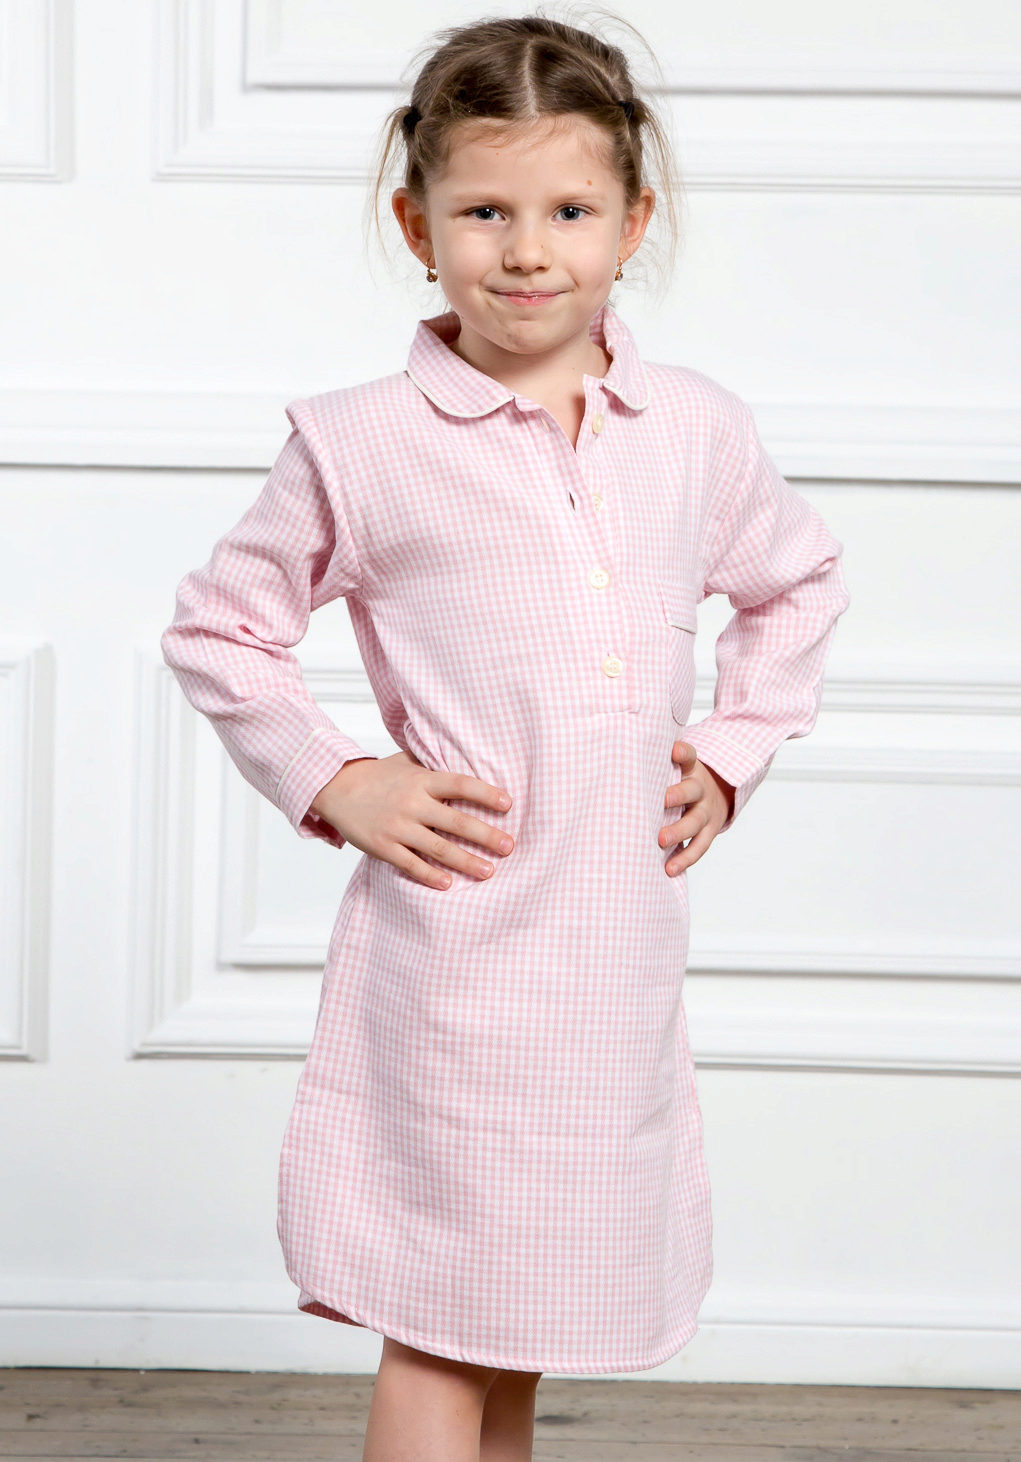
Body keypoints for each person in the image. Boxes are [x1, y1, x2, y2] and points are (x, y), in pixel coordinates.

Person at [160, 12, 851, 1460]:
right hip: (457, 955)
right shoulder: (362, 440)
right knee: (441, 1317)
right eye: (484, 211)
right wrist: (340, 777)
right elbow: (221, 626)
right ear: (416, 226)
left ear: (631, 222)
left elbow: (796, 583)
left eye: (569, 212)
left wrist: (730, 752)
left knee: (526, 1319)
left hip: (612, 959)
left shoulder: (693, 430)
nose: (528, 251)